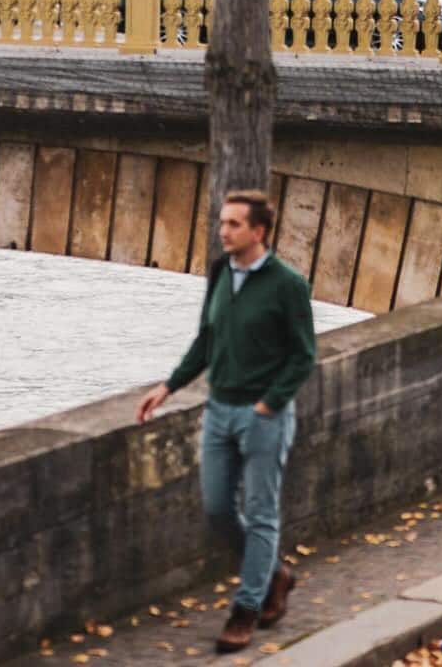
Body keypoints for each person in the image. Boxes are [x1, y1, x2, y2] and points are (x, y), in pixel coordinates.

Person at [136, 189, 317, 654]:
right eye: (222, 223)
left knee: (260, 513)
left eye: (234, 224)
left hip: (264, 416)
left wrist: (269, 404)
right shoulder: (220, 273)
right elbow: (208, 339)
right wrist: (168, 386)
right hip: (219, 410)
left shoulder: (287, 284)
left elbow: (303, 356)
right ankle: (274, 573)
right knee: (217, 508)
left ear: (259, 232)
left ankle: (246, 609)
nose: (223, 231)